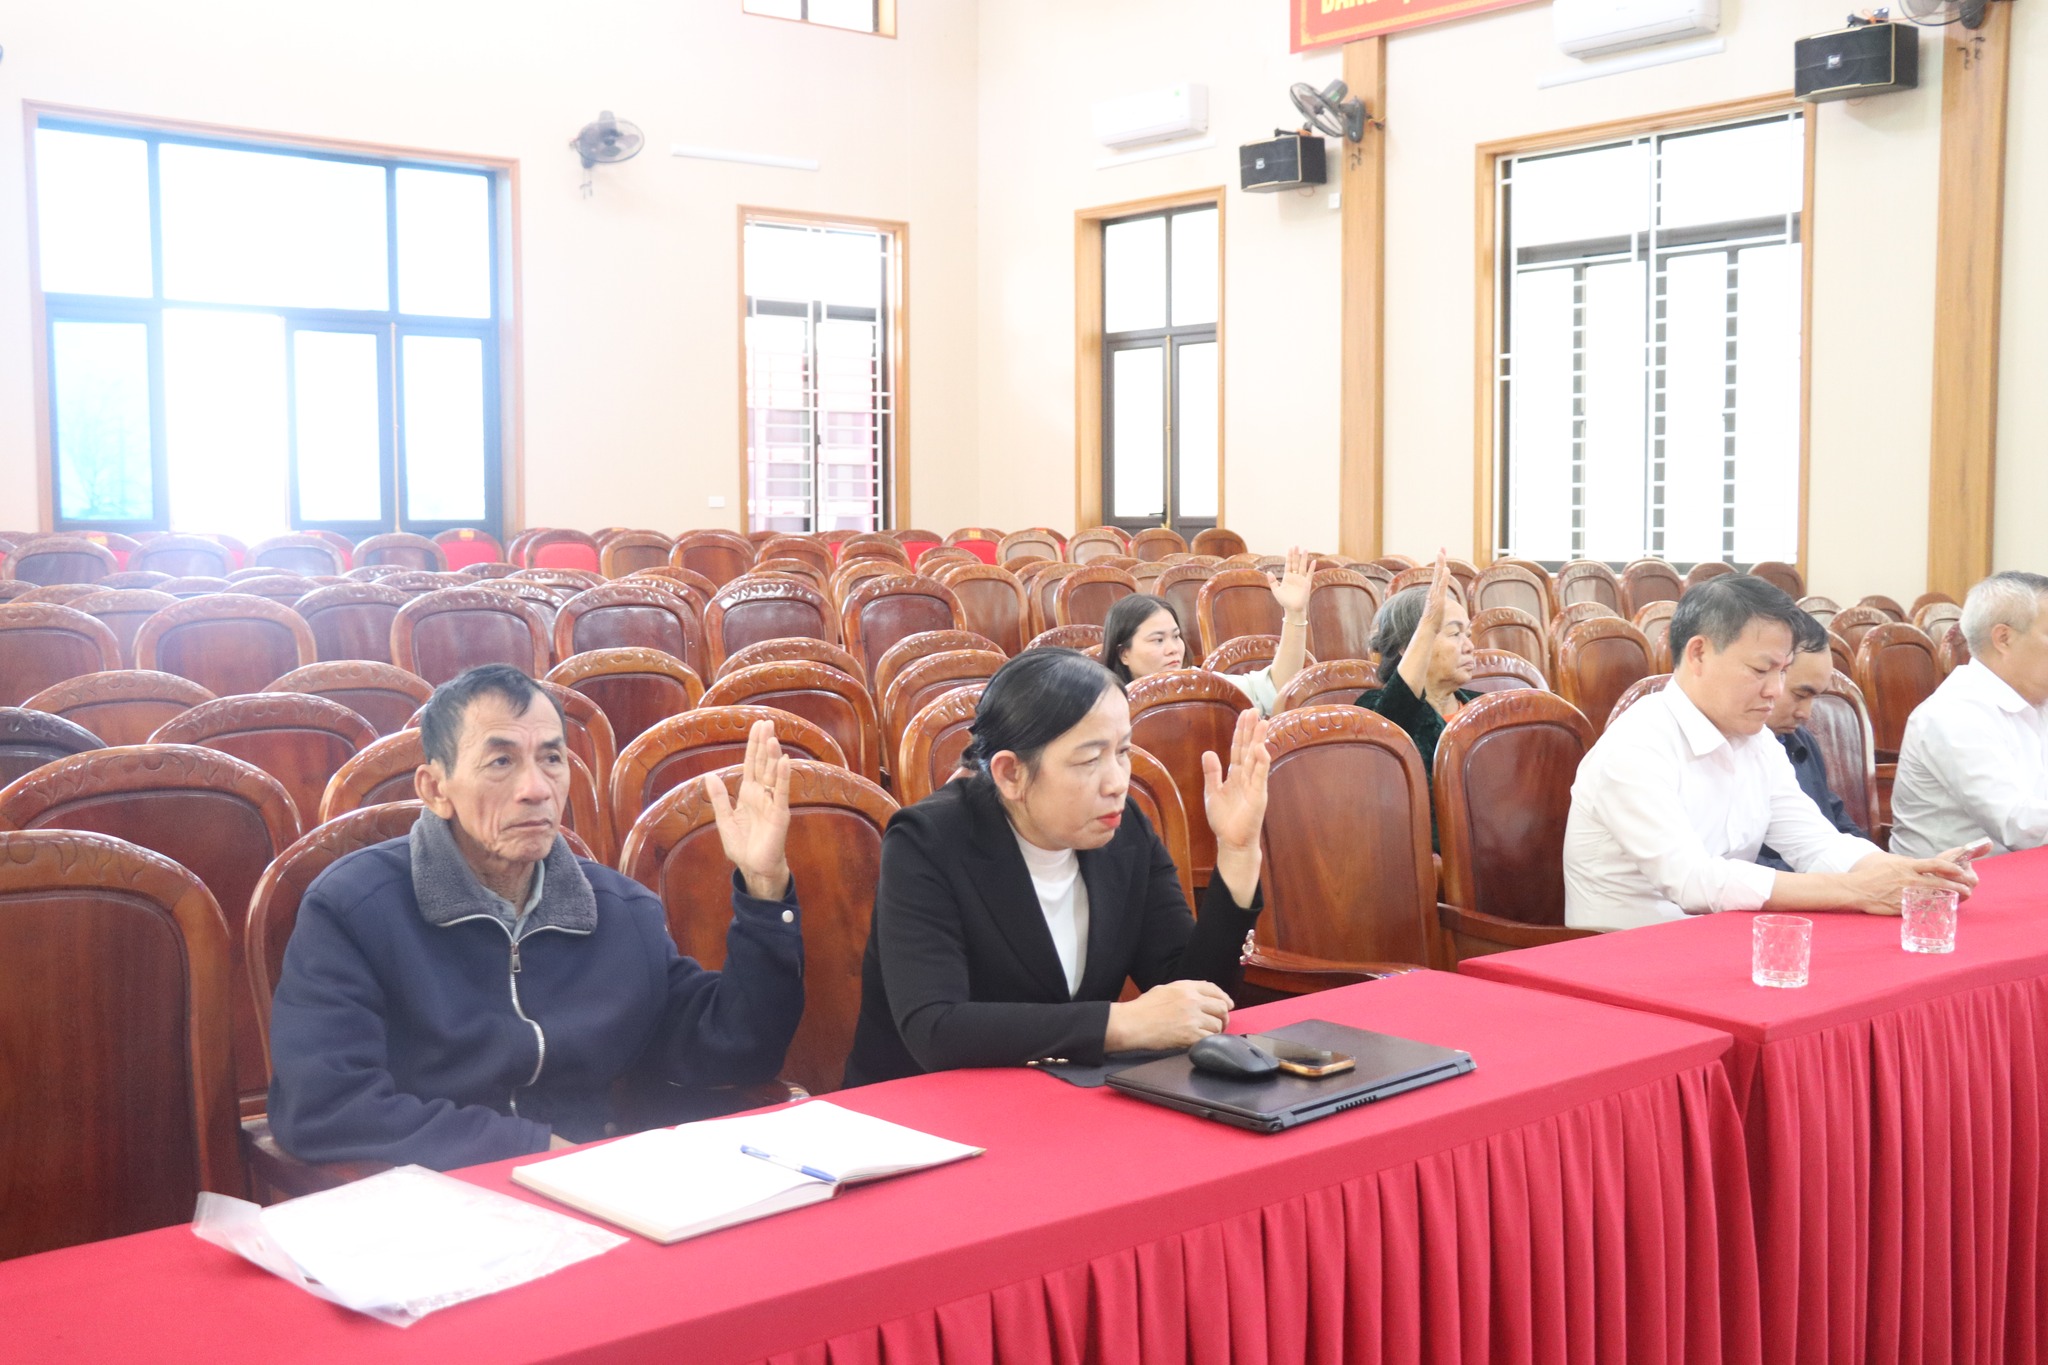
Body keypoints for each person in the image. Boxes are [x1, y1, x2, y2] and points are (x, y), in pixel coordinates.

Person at [267, 664, 805, 1170]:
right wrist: (531, 1150)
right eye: (501, 762)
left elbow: (732, 1049)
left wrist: (764, 890)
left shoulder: (619, 910)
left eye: (551, 759)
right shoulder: (354, 908)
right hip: (434, 1199)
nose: (537, 789)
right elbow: (324, 1105)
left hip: (597, 1186)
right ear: (435, 789)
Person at [843, 648, 1270, 1087]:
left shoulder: (1124, 831)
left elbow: (1191, 999)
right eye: (1089, 760)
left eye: (1123, 751)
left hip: (1066, 1096)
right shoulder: (928, 841)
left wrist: (1237, 854)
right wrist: (1119, 1024)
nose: (1117, 782)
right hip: (921, 1106)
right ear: (1010, 774)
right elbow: (936, 1027)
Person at [1563, 575, 1979, 932]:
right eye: (1761, 670)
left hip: (1719, 938)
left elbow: (1814, 843)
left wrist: (1903, 872)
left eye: (1782, 671)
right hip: (1621, 953)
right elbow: (1692, 881)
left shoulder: (1757, 740)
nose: (1775, 691)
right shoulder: (1636, 745)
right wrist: (1857, 890)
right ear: (1698, 653)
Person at [1891, 571, 2048, 859]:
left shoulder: (2038, 700)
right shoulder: (1954, 713)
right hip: (1951, 880)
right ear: (2004, 638)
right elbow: (2019, 826)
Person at [1098, 546, 1311, 715]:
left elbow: (1275, 685)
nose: (1173, 649)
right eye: (1158, 640)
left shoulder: (1201, 686)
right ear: (1124, 653)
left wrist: (1295, 614)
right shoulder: (1103, 706)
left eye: (1176, 636)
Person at [1357, 548, 1481, 790]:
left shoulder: (1483, 708)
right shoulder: (1371, 709)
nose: (1469, 646)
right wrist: (1428, 625)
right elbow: (1394, 715)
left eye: (1467, 634)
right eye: (1454, 633)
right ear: (1408, 646)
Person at [1757, 608, 1866, 870]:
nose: (1806, 714)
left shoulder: (1799, 740)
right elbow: (1736, 865)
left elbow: (1835, 822)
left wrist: (1886, 867)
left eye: (1815, 697)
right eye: (1799, 695)